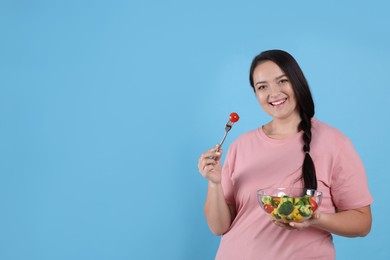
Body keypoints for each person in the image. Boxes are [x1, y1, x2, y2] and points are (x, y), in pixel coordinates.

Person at [197, 50, 373, 259]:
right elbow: (219, 227)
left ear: (298, 82)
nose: (274, 93)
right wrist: (214, 183)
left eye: (282, 81)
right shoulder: (240, 145)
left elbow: (363, 223)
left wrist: (316, 219)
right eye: (262, 86)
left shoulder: (334, 143)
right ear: (256, 94)